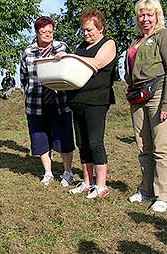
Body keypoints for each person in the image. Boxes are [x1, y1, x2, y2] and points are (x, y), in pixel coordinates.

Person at [125, 0, 167, 212]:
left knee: (161, 146)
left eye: (149, 14)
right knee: (143, 146)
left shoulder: (165, 36)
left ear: (157, 15)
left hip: (158, 92)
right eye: (141, 15)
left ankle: (165, 195)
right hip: (137, 95)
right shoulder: (137, 39)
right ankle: (146, 189)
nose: (145, 19)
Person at [65, 10, 117, 198]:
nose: (86, 34)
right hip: (77, 100)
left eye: (89, 30)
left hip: (97, 100)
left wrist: (70, 58)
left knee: (95, 142)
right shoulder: (81, 47)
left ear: (100, 28)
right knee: (82, 143)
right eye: (84, 31)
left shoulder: (108, 44)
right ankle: (87, 182)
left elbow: (98, 62)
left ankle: (101, 185)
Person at [20, 16, 75, 187]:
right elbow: (23, 77)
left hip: (61, 101)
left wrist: (64, 57)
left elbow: (72, 67)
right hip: (36, 103)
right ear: (36, 33)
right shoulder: (28, 52)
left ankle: (67, 172)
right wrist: (27, 94)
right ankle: (48, 172)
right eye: (43, 32)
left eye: (50, 31)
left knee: (64, 138)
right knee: (41, 139)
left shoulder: (62, 47)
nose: (47, 34)